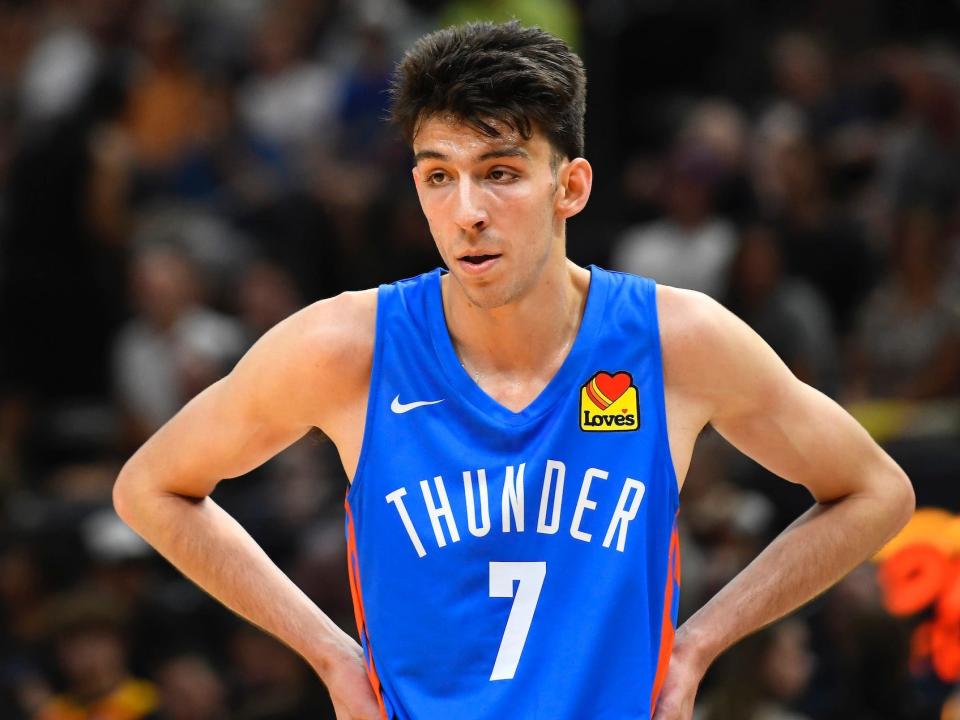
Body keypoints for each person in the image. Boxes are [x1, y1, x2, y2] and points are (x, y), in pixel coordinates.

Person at [112, 21, 916, 720]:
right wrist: (328, 655)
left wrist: (702, 640)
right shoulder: (347, 347)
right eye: (438, 176)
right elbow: (151, 489)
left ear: (570, 185)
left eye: (499, 172)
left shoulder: (674, 340)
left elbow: (876, 492)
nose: (466, 211)